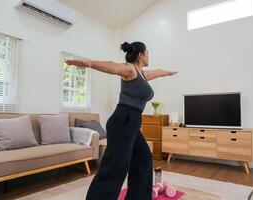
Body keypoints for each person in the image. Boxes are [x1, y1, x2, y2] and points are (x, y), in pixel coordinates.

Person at [66, 41, 178, 200]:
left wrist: (167, 72)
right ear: (141, 55)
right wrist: (89, 63)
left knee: (143, 159)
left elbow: (157, 72)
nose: (149, 56)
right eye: (148, 53)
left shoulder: (142, 74)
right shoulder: (130, 69)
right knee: (115, 167)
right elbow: (113, 66)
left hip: (132, 122)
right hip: (123, 120)